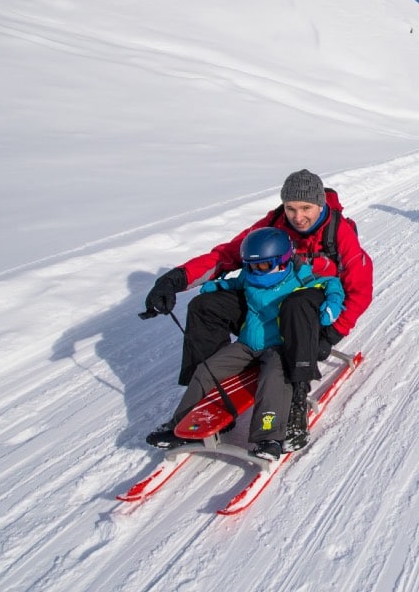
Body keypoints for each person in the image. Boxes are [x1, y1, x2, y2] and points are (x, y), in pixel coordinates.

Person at [143, 168, 373, 451]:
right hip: (265, 308)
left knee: (296, 304)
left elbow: (359, 291)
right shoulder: (275, 224)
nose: (298, 217)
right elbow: (227, 256)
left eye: (306, 208)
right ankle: (206, 404)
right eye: (291, 208)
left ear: (320, 204)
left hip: (310, 316)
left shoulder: (339, 233)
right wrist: (176, 279)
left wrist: (331, 335)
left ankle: (295, 403)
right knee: (205, 306)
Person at [145, 228, 344, 460]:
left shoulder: (300, 278)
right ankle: (183, 425)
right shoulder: (249, 276)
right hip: (248, 344)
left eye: (262, 266)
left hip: (278, 347)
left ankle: (269, 436)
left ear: (282, 261)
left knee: (273, 378)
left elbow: (331, 284)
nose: (255, 271)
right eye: (250, 265)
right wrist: (217, 286)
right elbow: (236, 283)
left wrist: (334, 303)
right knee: (206, 370)